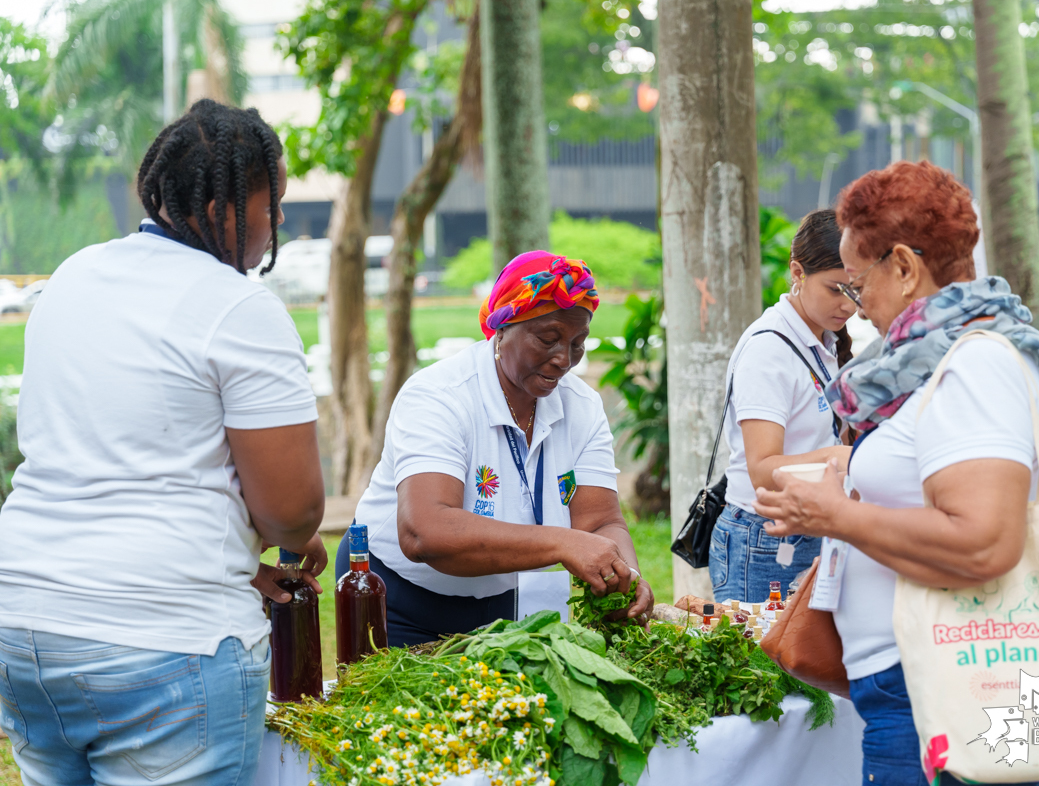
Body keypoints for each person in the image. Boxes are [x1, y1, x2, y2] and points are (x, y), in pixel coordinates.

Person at [751, 161, 1039, 786]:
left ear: (904, 266)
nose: (858, 311)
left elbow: (983, 540)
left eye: (859, 286)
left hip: (944, 689)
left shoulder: (974, 365)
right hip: (918, 688)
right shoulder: (934, 362)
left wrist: (836, 515)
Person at [0, 100, 325, 785]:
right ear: (225, 205)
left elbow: (116, 459)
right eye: (275, 202)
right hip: (162, 649)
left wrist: (232, 559)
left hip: (24, 627)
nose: (280, 222)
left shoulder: (74, 277)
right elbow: (290, 513)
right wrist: (294, 538)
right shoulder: (239, 307)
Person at [345, 250, 653, 646]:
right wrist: (562, 542)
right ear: (501, 328)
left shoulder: (582, 406)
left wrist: (625, 576)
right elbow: (425, 532)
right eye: (548, 338)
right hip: (401, 603)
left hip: (511, 606)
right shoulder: (439, 396)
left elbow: (599, 523)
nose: (564, 360)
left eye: (578, 343)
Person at [708, 209, 856, 603]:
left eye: (856, 290)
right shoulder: (769, 349)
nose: (848, 306)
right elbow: (763, 470)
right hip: (763, 537)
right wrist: (841, 457)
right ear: (798, 272)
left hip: (804, 526)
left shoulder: (822, 338)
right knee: (762, 665)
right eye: (836, 288)